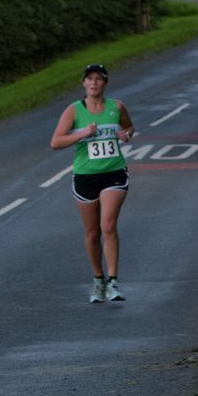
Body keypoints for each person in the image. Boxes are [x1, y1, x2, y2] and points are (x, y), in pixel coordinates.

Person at [49, 63, 135, 303]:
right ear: (84, 83)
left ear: (105, 83)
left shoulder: (115, 107)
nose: (94, 82)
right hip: (85, 176)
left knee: (108, 225)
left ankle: (114, 281)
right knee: (92, 232)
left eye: (99, 79)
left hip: (114, 173)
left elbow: (129, 126)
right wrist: (82, 134)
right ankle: (98, 280)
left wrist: (126, 134)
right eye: (90, 79)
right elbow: (55, 142)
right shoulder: (74, 111)